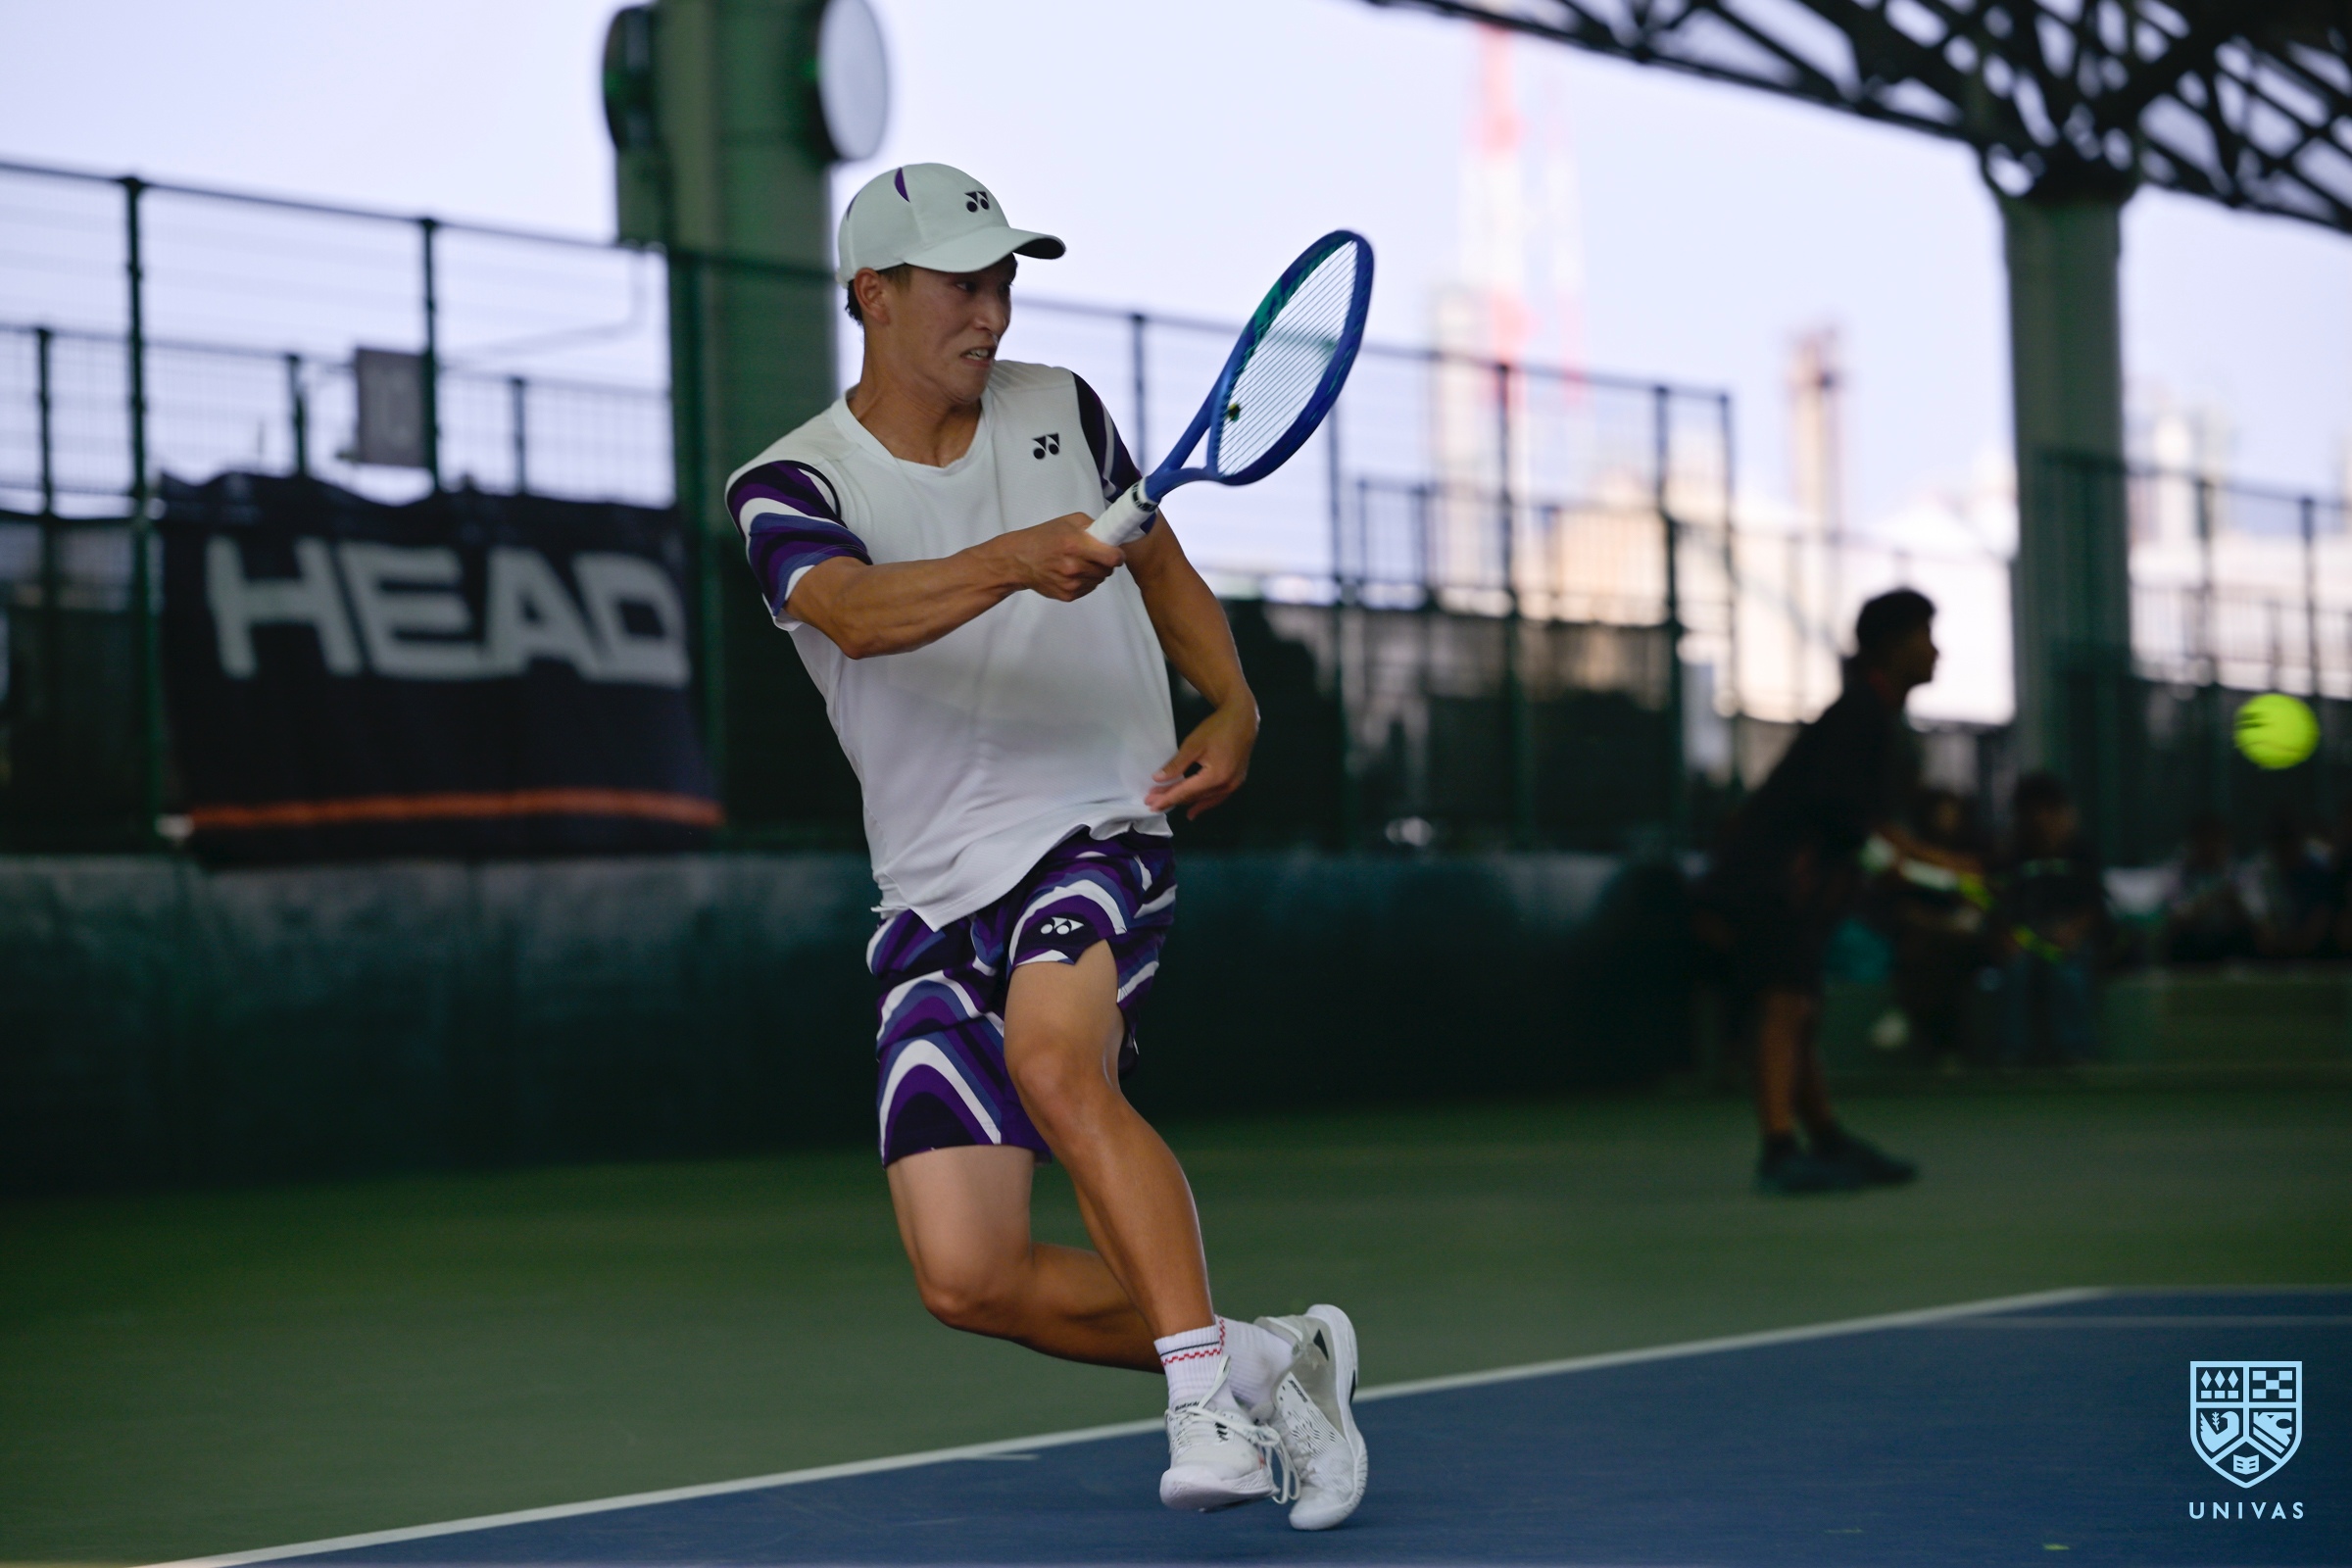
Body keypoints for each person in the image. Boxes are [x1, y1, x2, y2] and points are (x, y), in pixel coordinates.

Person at [722, 165, 1365, 1530]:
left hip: (1096, 822)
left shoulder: (1063, 408)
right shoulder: (785, 483)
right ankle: (1269, 1358)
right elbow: (854, 614)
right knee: (970, 1277)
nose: (993, 312)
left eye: (1005, 283)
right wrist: (1014, 559)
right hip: (929, 890)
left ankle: (1205, 1413)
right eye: (963, 285)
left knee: (1056, 1065)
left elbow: (1161, 565)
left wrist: (1234, 703)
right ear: (873, 294)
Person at [1694, 589, 1958, 1195]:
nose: (1936, 651)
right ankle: (1778, 1152)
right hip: (1772, 882)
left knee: (1800, 1010)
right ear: (1893, 647)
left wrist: (1934, 863)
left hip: (1792, 885)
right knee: (1785, 1006)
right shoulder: (1859, 715)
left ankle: (1826, 1140)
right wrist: (1919, 865)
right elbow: (1843, 817)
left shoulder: (1873, 716)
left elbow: (1865, 824)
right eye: (1925, 636)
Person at [1993, 772, 2108, 1066]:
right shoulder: (2015, 855)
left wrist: (2072, 932)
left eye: (2048, 811)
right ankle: (2011, 1051)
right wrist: (2010, 937)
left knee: (2067, 974)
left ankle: (2075, 1048)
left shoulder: (2081, 852)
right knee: (2015, 973)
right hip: (2027, 937)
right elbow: (2002, 905)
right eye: (2032, 813)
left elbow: (2095, 906)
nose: (2041, 820)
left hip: (2068, 936)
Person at [2159, 811, 2252, 965]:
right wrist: (2211, 899)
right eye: (2205, 841)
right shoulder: (2178, 873)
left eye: (2216, 841)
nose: (2210, 847)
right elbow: (2175, 919)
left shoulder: (2237, 872)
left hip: (2227, 942)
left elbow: (2254, 918)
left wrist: (2233, 902)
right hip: (2192, 944)